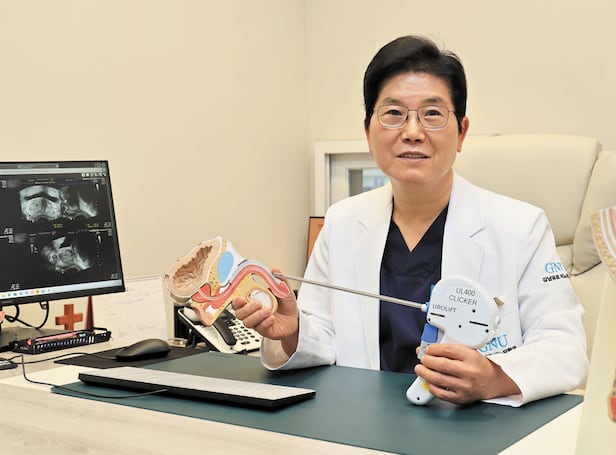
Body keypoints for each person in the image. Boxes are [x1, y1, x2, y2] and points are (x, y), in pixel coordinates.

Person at [232, 35, 588, 407]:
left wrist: (493, 377)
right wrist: (293, 332)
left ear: (461, 132)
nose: (413, 132)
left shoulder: (521, 226)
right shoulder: (342, 222)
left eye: (432, 114)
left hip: (474, 427)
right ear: (369, 133)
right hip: (362, 421)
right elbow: (323, 336)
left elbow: (565, 347)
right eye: (393, 114)